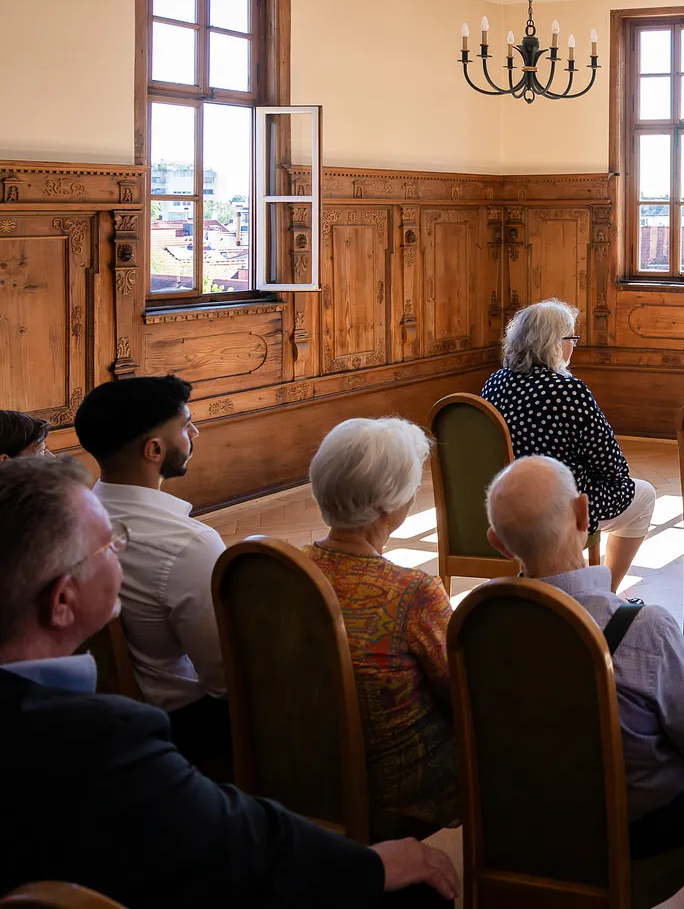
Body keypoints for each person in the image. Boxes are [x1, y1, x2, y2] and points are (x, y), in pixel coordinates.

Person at [0, 455, 459, 908]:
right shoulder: (101, 742)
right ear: (62, 601)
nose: (122, 549)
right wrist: (375, 867)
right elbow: (242, 843)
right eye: (111, 544)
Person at [485, 455, 684, 859]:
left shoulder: (481, 628)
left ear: (497, 543)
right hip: (633, 831)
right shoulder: (646, 627)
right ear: (584, 514)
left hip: (529, 824)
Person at [305, 418, 458, 830]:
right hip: (396, 788)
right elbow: (464, 694)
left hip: (302, 767)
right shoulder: (412, 592)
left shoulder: (278, 569)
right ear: (391, 504)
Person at [74, 375, 230, 775]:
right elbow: (226, 682)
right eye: (186, 424)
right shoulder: (189, 543)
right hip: (181, 730)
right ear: (155, 449)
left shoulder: (71, 516)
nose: (194, 432)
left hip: (100, 711)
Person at [483, 299, 656, 592]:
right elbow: (612, 466)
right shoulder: (568, 390)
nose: (573, 346)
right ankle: (603, 595)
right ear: (553, 343)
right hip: (559, 507)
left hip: (506, 504)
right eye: (571, 338)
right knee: (646, 496)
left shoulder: (495, 382)